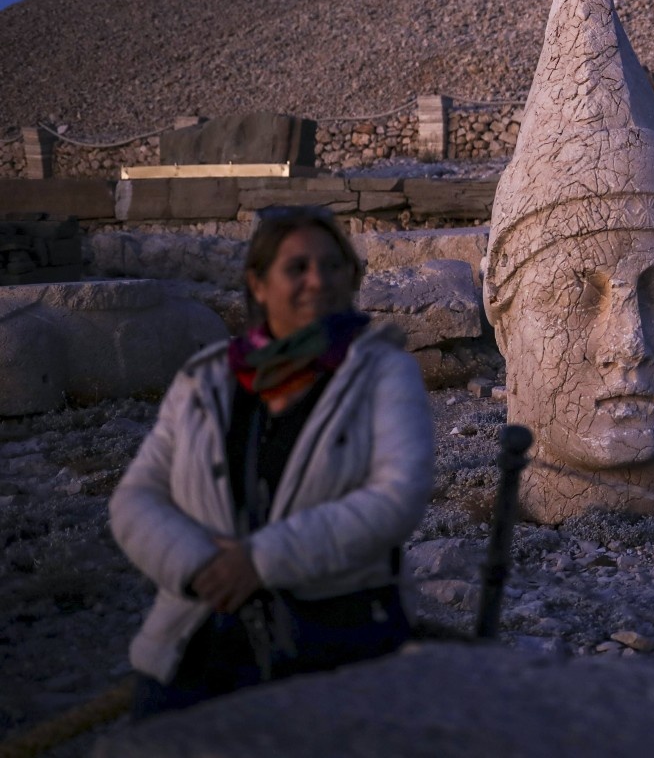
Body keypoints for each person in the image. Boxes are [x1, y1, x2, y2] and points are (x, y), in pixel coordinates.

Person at [110, 206, 435, 718]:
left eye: (332, 266)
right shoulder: (206, 378)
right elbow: (136, 497)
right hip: (201, 625)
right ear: (259, 285)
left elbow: (397, 495)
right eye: (297, 268)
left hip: (336, 634)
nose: (318, 281)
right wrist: (197, 564)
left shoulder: (383, 372)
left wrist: (260, 561)